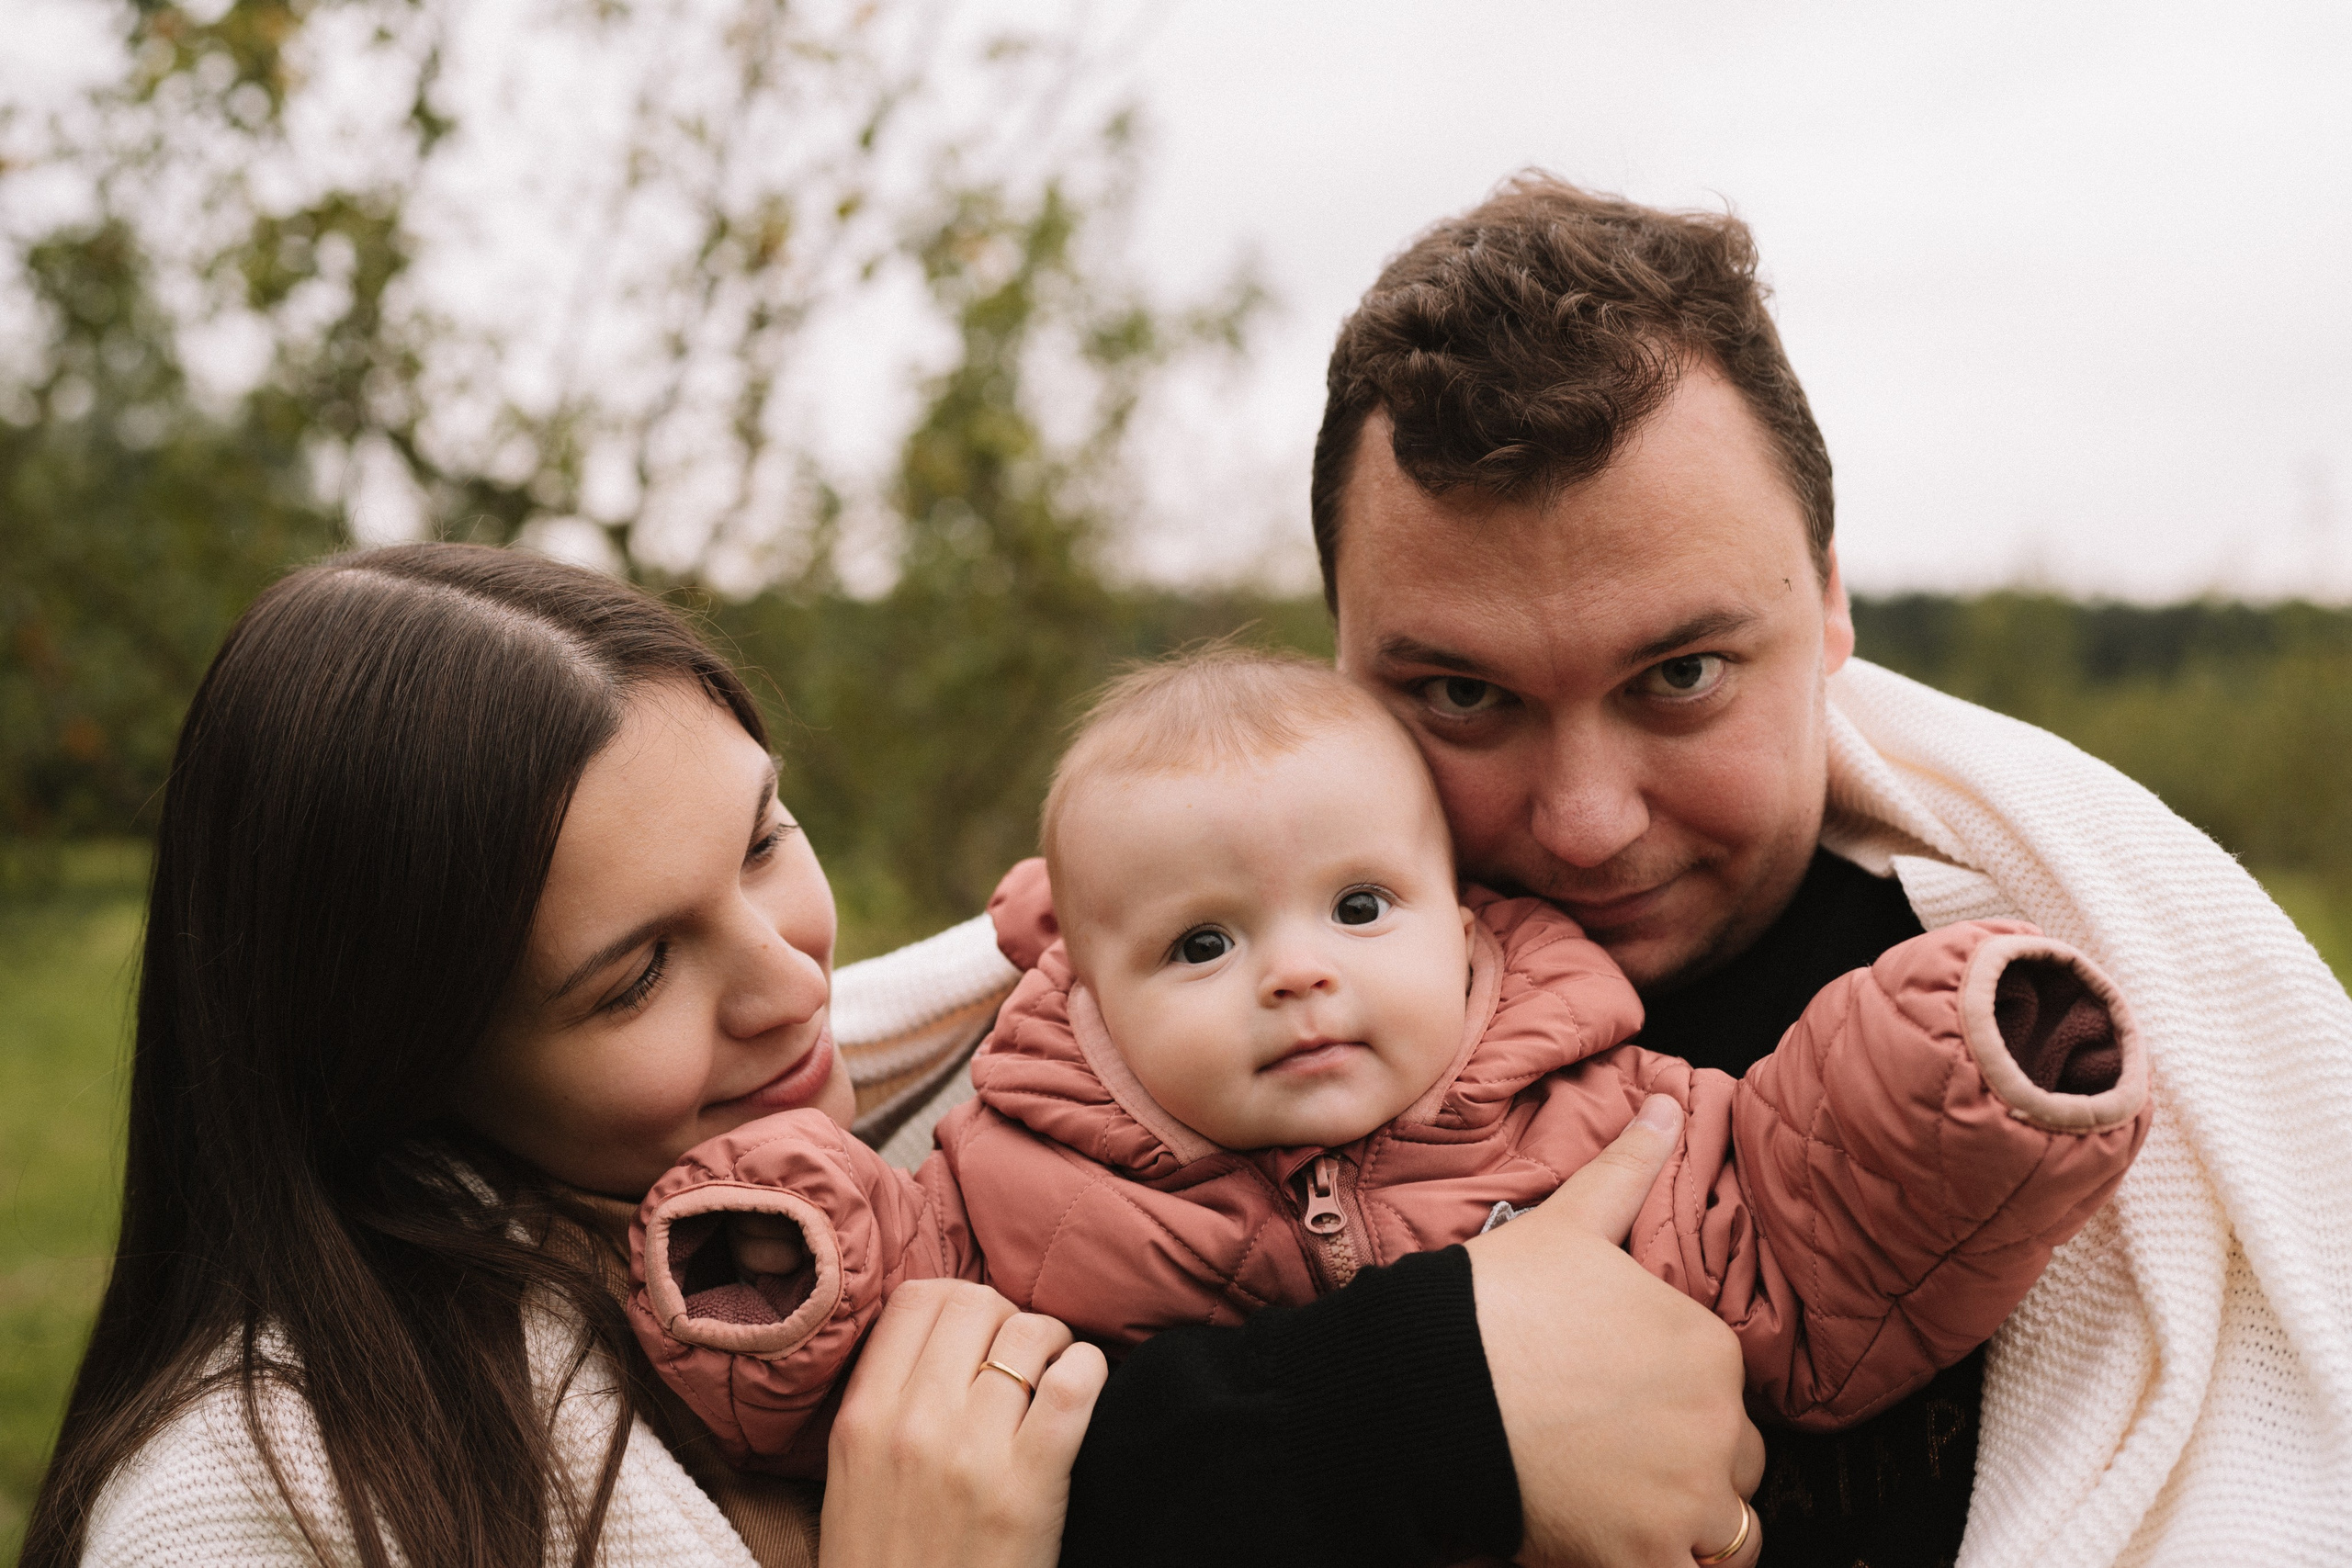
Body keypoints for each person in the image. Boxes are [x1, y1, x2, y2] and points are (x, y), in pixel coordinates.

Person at [865, 175, 2352, 1568]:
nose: (1583, 821)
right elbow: (862, 1471)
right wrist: (1410, 1407)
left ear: (1831, 605)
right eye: (1460, 693)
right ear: (1342, 664)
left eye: (1683, 671)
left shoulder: (2013, 1012)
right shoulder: (1110, 1029)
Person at [626, 646, 2150, 1497]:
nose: (1300, 971)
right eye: (1202, 945)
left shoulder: (1611, 1109)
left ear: (1467, 916)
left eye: (1360, 909)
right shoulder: (1006, 1169)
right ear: (1079, 979)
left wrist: (1967, 1070)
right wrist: (777, 1255)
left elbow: (1808, 1225)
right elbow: (877, 1294)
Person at [22, 543, 1107, 1568]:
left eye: (764, 843)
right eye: (636, 977)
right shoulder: (245, 1510)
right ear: (400, 1066)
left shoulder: (1084, 1097)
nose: (791, 986)